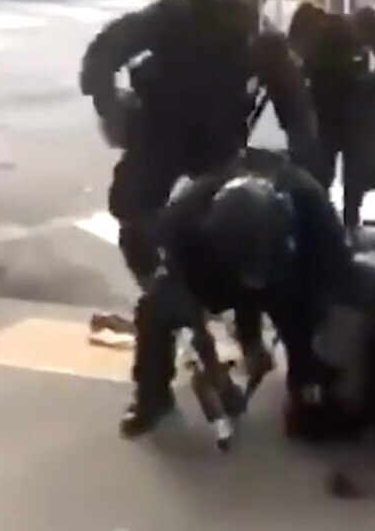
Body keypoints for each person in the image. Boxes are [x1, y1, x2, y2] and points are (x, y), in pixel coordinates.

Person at [78, 0, 323, 291]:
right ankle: (155, 291)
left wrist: (304, 165)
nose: (249, 0)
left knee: (236, 220)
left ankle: (219, 297)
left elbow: (295, 107)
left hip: (217, 144)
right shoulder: (179, 14)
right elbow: (107, 48)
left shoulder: (265, 42)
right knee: (136, 216)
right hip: (161, 132)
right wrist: (109, 105)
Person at [125, 148, 354, 443]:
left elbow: (335, 277)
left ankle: (306, 384)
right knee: (158, 307)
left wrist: (309, 348)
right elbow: (171, 275)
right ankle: (152, 397)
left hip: (288, 274)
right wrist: (210, 361)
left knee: (312, 327)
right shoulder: (187, 215)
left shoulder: (310, 204)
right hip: (221, 267)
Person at [288, 0, 375, 232]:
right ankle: (323, 229)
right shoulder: (308, 17)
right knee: (317, 178)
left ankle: (350, 225)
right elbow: (289, 60)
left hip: (355, 113)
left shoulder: (364, 18)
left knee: (356, 182)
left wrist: (373, 85)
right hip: (321, 109)